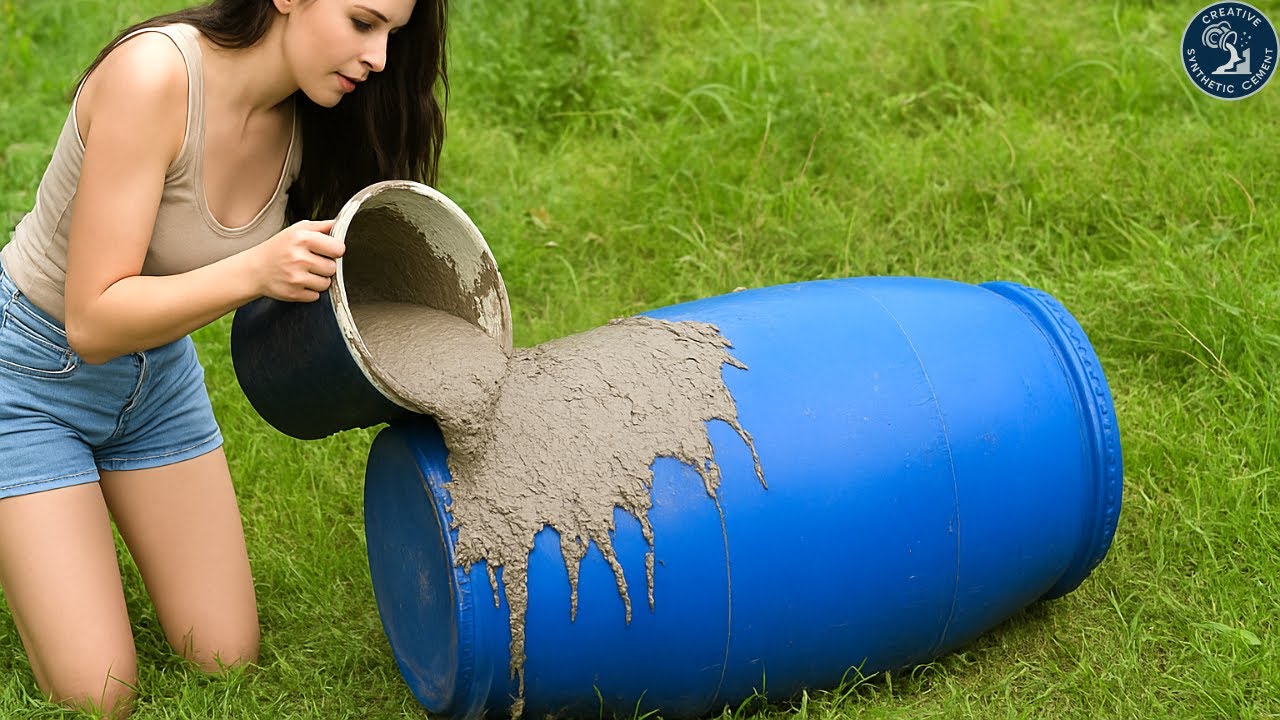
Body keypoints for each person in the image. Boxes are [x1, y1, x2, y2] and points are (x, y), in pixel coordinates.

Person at [0, 0, 447, 715]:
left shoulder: (316, 116)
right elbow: (90, 318)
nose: (380, 59)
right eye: (364, 23)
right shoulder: (155, 77)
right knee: (98, 695)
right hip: (28, 379)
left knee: (224, 654)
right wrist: (255, 271)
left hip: (155, 385)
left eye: (394, 34)